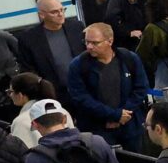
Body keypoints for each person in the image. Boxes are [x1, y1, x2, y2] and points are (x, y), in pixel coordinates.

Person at [60, 21, 150, 154]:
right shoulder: (78, 66)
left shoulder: (129, 58)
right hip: (97, 129)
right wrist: (114, 115)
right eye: (86, 42)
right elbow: (80, 97)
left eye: (95, 43)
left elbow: (140, 88)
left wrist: (123, 115)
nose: (89, 46)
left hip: (130, 126)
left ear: (110, 41)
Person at [10, 0, 81, 87]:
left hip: (82, 85)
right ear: (42, 15)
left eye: (62, 9)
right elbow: (28, 69)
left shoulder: (76, 27)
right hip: (53, 90)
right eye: (54, 12)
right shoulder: (29, 38)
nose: (60, 14)